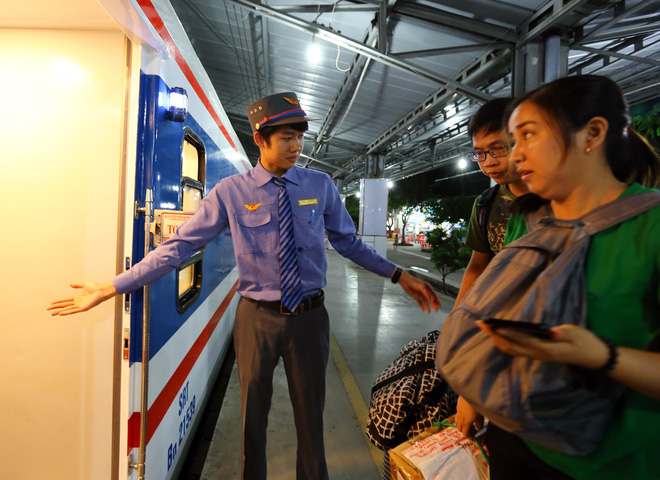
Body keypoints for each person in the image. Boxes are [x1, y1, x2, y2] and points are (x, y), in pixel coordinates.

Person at [48, 92, 440, 480]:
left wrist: (399, 274)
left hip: (310, 320)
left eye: (300, 136)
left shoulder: (319, 186)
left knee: (311, 421)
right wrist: (112, 287)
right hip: (256, 320)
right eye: (286, 138)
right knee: (253, 422)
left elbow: (348, 243)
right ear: (260, 140)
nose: (297, 146)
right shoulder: (231, 194)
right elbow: (179, 247)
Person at [474, 75, 660, 480]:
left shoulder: (650, 227)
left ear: (592, 133)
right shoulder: (527, 219)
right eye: (513, 140)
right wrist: (475, 390)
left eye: (527, 135)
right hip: (514, 437)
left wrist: (601, 356)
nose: (515, 154)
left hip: (610, 461)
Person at [453, 98, 529, 437]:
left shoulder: (560, 203)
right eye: (480, 154)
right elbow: (477, 267)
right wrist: (456, 327)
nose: (488, 163)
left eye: (497, 149)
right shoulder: (487, 205)